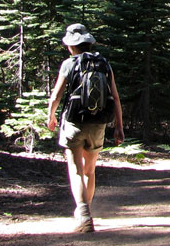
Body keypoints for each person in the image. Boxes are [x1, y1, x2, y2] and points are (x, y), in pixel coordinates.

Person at [47, 23, 124, 233]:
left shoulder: (68, 64)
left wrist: (51, 115)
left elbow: (56, 96)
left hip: (73, 122)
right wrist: (119, 126)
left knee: (76, 169)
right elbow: (115, 97)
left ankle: (83, 214)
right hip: (99, 123)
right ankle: (87, 211)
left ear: (72, 46)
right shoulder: (104, 64)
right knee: (90, 169)